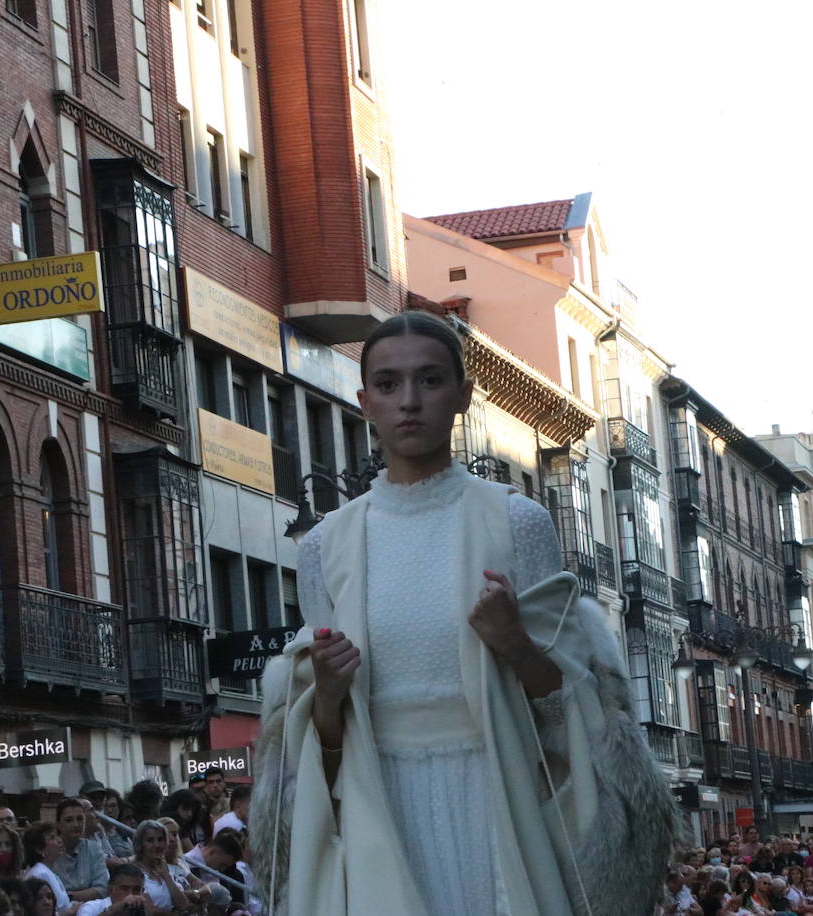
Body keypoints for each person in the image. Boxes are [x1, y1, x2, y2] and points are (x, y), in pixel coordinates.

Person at [252, 311, 677, 916]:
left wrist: (517, 646)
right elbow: (325, 746)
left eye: (429, 380)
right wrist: (325, 692)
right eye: (389, 384)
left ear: (462, 395)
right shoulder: (325, 545)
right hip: (381, 813)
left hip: (500, 799)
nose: (408, 401)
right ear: (364, 400)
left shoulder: (518, 521)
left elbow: (569, 718)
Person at [50, 799, 107, 902]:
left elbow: (102, 889)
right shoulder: (50, 850)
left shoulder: (93, 849)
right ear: (58, 824)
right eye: (69, 820)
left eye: (80, 819)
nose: (76, 824)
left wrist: (68, 896)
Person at [129, 820, 193, 912]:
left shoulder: (165, 868)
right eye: (150, 840)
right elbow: (150, 911)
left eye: (160, 839)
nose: (157, 845)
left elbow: (182, 905)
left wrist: (166, 876)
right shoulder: (133, 871)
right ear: (140, 844)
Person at [20, 822, 75, 916]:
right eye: (52, 838)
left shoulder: (48, 871)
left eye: (57, 836)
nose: (59, 841)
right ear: (39, 849)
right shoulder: (39, 874)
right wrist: (71, 911)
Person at [69, 865, 149, 916]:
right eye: (124, 888)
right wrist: (115, 909)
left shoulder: (143, 911)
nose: (130, 894)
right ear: (110, 889)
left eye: (136, 889)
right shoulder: (92, 907)